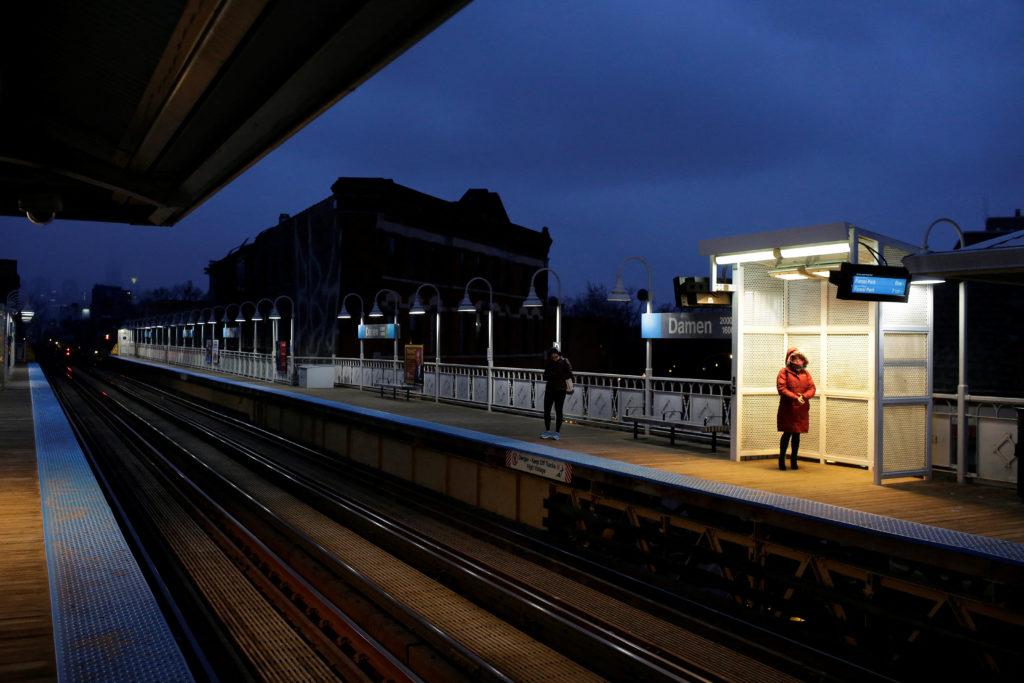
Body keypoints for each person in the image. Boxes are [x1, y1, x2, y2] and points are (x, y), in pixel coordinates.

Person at [777, 347, 815, 470]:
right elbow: (781, 389)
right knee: (787, 433)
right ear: (790, 359)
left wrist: (804, 396)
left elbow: (812, 388)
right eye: (795, 358)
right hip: (788, 409)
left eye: (800, 357)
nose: (798, 360)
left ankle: (794, 460)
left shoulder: (806, 373)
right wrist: (795, 398)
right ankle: (782, 460)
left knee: (797, 435)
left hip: (801, 408)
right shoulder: (783, 372)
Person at [540, 346, 574, 440]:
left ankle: (557, 433)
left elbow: (570, 375)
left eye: (556, 357)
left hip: (560, 390)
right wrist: (552, 375)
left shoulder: (565, 362)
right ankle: (547, 431)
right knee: (547, 410)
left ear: (559, 355)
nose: (554, 359)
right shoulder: (549, 363)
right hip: (550, 390)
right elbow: (545, 376)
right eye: (552, 357)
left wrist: (559, 375)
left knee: (559, 411)